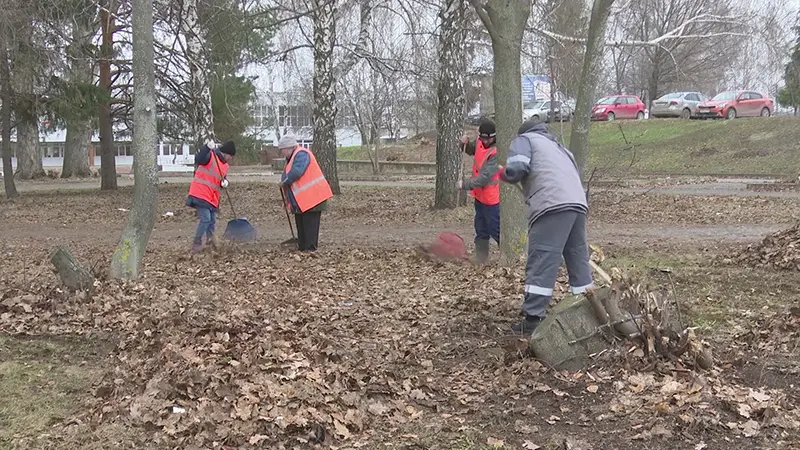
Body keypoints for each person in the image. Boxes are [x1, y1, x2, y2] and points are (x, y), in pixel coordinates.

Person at [500, 120, 594, 335]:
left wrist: (503, 173)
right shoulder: (559, 147)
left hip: (551, 205)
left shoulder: (524, 140)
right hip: (577, 204)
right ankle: (588, 307)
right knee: (577, 256)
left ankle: (534, 317)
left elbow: (516, 170)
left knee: (543, 257)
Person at [278, 135, 333, 251]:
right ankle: (303, 247)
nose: (282, 152)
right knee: (301, 225)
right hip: (303, 200)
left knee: (310, 226)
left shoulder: (302, 154)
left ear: (290, 147)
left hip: (314, 198)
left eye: (283, 149)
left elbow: (297, 172)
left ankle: (310, 249)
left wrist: (285, 181)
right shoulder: (292, 157)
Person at [457, 120, 501, 264]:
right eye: (483, 138)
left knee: (495, 229)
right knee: (480, 229)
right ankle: (481, 260)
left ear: (495, 137)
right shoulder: (480, 142)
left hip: (492, 199)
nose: (486, 141)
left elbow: (484, 178)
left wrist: (465, 184)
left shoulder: (496, 152)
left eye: (489, 138)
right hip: (480, 197)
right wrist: (464, 144)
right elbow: (470, 150)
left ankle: (509, 255)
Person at [186, 140, 236, 253]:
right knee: (206, 219)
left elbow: (220, 179)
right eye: (230, 156)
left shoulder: (225, 166)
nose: (231, 158)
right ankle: (196, 243)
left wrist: (225, 183)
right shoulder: (210, 156)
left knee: (212, 220)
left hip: (212, 197)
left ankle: (211, 243)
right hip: (200, 193)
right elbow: (199, 159)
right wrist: (206, 148)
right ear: (226, 153)